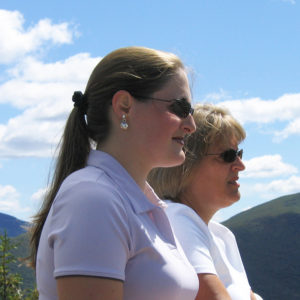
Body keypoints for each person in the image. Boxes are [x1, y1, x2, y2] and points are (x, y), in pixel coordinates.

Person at [29, 46, 199, 300]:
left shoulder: (139, 204)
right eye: (180, 108)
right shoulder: (94, 198)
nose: (191, 125)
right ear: (124, 106)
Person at [148, 103, 263, 300]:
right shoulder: (176, 218)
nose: (241, 165)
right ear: (186, 165)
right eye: (228, 156)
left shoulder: (222, 235)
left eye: (239, 154)